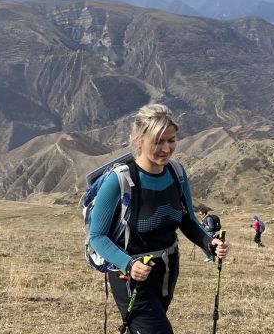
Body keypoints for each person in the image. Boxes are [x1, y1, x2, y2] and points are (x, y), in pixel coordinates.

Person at [88, 104, 230, 334]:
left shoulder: (177, 172)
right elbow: (97, 236)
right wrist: (129, 264)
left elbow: (188, 219)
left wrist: (209, 243)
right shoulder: (119, 180)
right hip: (130, 276)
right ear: (139, 140)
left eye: (171, 140)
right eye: (158, 142)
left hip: (166, 271)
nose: (166, 149)